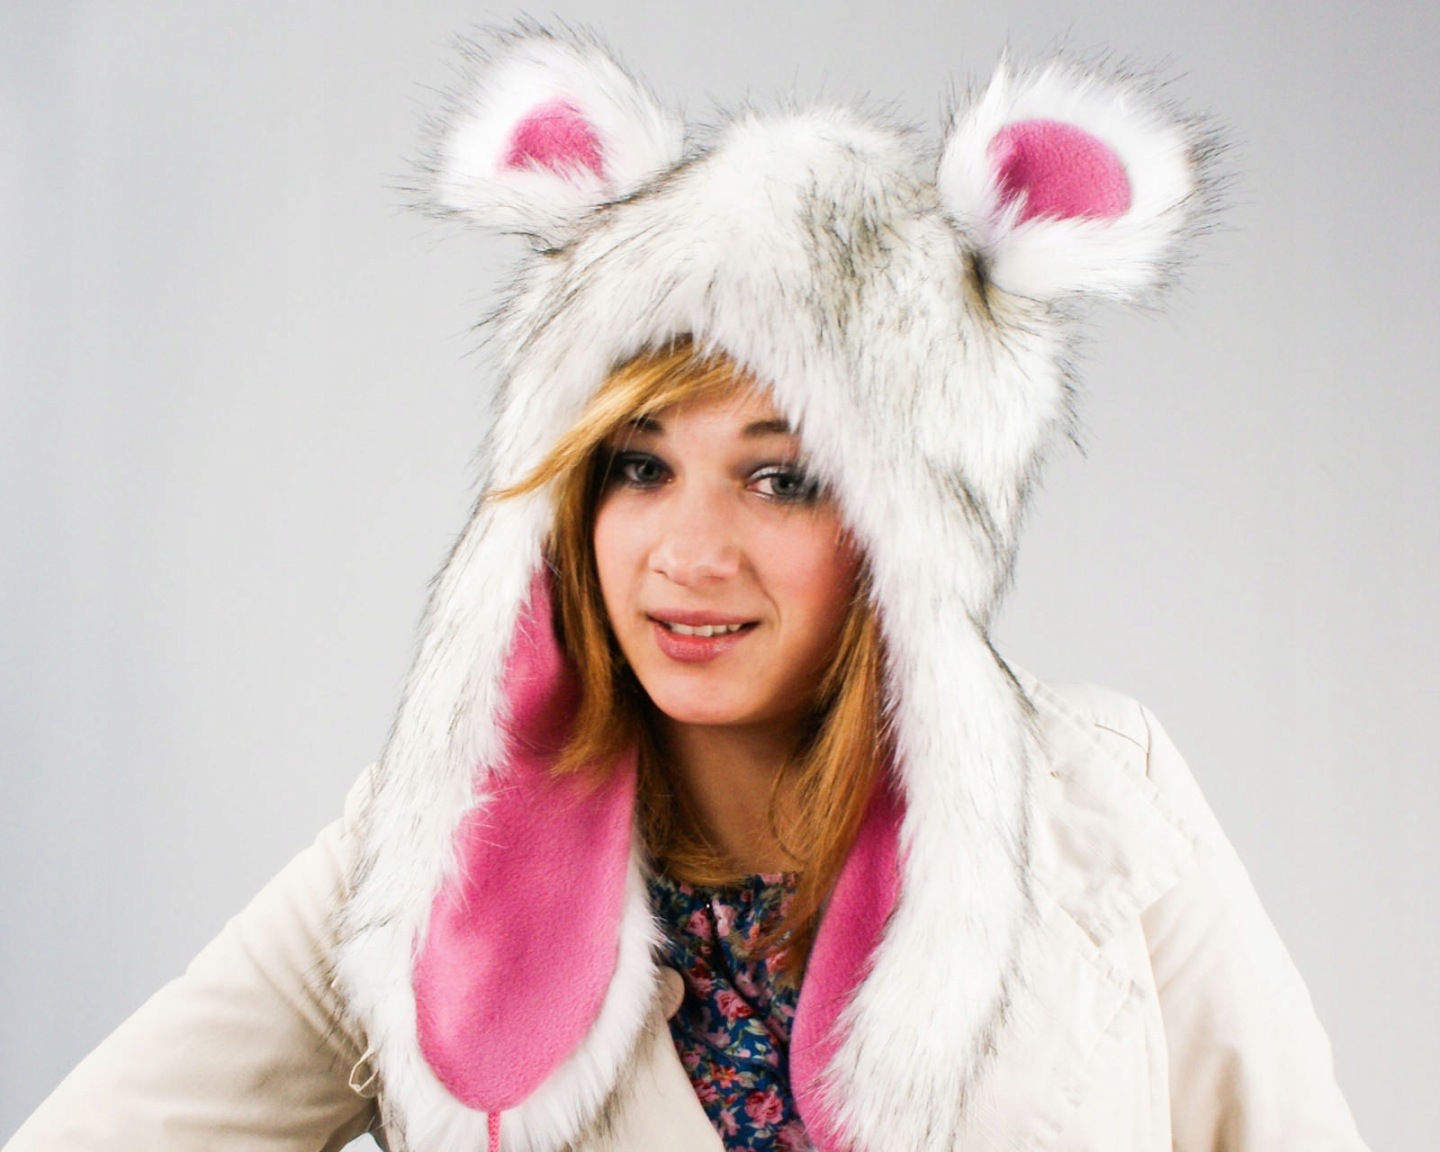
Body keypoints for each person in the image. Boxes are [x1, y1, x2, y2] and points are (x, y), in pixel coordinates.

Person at [5, 23, 1370, 1152]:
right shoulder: (433, 842)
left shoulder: (1105, 803)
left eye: (782, 479)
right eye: (639, 467)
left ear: (906, 535)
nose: (688, 553)